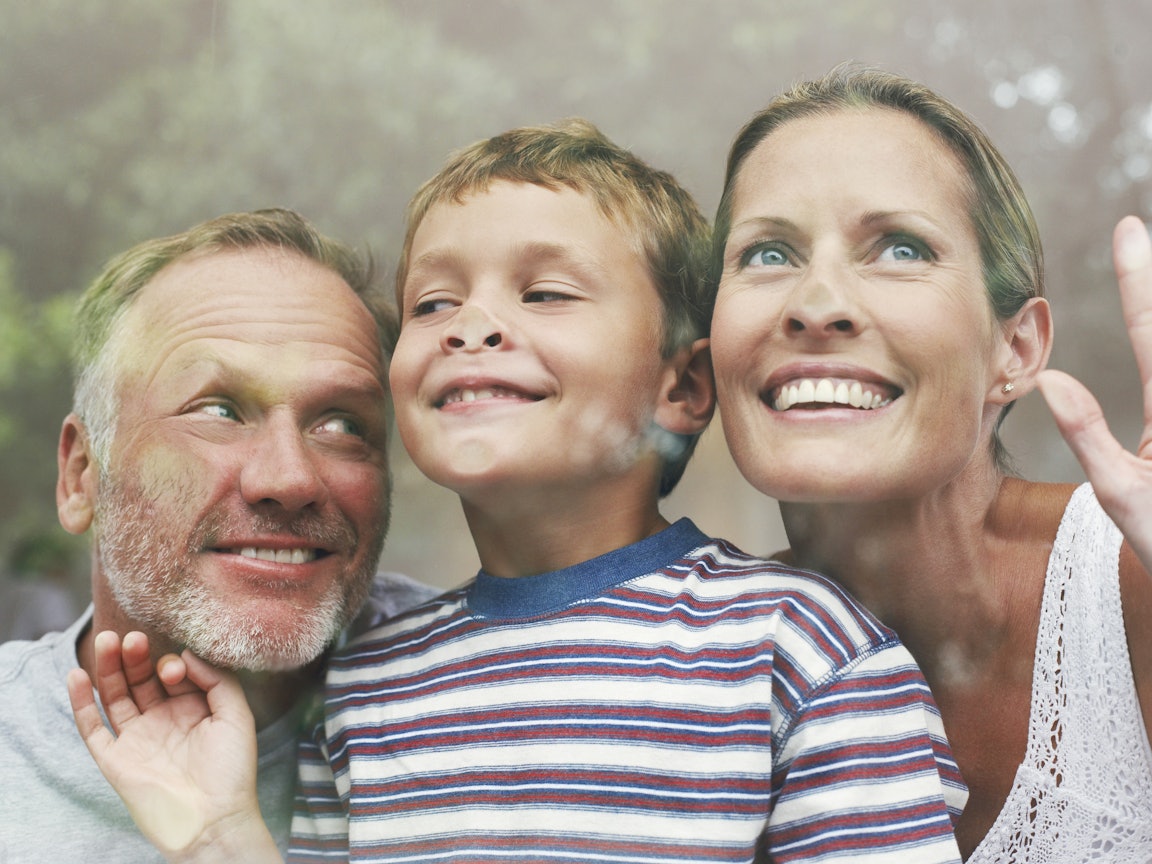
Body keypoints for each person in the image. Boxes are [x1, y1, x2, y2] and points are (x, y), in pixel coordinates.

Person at [73, 119, 967, 864]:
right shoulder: (365, 682)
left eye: (544, 293)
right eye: (432, 304)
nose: (473, 326)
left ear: (682, 386)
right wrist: (224, 838)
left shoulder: (798, 648)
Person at [708, 65, 1152, 861]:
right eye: (768, 253)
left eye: (900, 248)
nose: (816, 305)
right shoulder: (691, 660)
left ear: (1015, 349)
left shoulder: (1134, 578)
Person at [0, 209, 436, 864]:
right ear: (81, 476)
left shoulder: (494, 700)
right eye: (218, 411)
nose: (290, 478)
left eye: (342, 424)